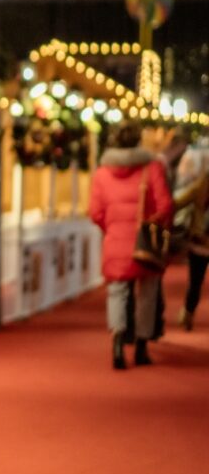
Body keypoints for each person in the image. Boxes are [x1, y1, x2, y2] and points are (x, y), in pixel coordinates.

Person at [88, 119, 173, 369]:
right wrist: (154, 224)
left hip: (115, 241)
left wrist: (111, 229)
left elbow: (94, 212)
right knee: (147, 293)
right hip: (144, 242)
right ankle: (142, 347)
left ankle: (117, 344)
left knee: (117, 292)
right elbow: (165, 204)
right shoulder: (152, 167)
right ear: (138, 142)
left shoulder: (102, 174)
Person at [174, 143, 209, 330]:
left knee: (195, 282)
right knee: (195, 281)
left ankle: (188, 313)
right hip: (201, 242)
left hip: (199, 240)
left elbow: (180, 201)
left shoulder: (201, 185)